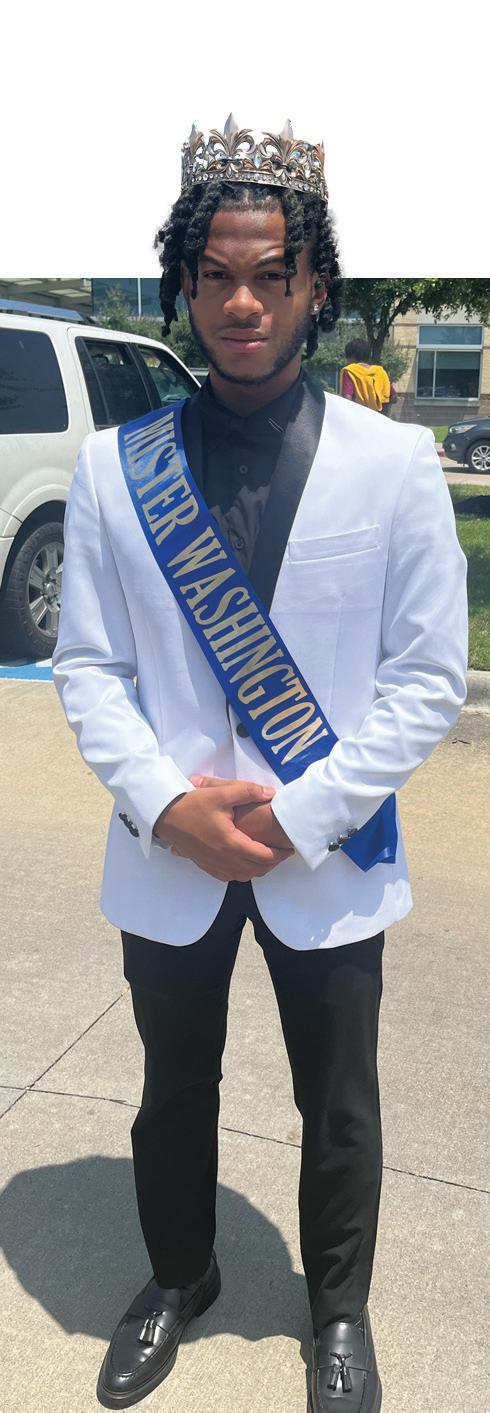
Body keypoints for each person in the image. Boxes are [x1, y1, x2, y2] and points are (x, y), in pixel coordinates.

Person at [52, 114, 468, 1413]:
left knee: (337, 1102)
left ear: (313, 286)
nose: (242, 302)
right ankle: (180, 1276)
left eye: (269, 274)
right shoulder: (113, 471)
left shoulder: (393, 467)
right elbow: (87, 667)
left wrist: (302, 814)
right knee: (172, 1087)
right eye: (217, 275)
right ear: (184, 284)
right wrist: (166, 805)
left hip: (324, 852)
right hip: (168, 852)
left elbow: (424, 679)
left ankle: (335, 1308)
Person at [340, 337, 397, 415]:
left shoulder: (350, 371)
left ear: (351, 356)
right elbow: (394, 398)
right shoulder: (380, 372)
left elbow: (347, 399)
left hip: (360, 417)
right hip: (380, 418)